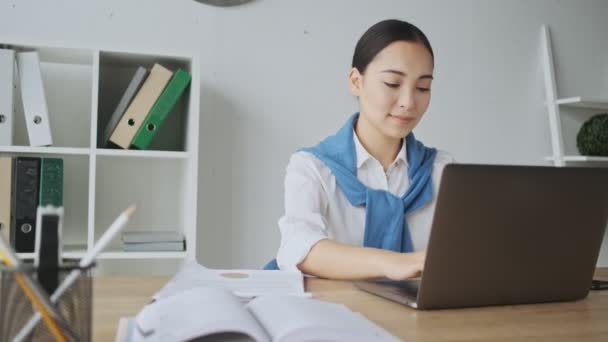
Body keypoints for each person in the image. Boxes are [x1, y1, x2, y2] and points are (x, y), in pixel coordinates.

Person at [265, 19, 453, 280]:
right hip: (333, 314)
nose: (409, 102)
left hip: (419, 319)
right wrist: (395, 263)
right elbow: (298, 248)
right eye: (392, 83)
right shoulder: (312, 167)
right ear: (356, 81)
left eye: (423, 87)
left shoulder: (443, 171)